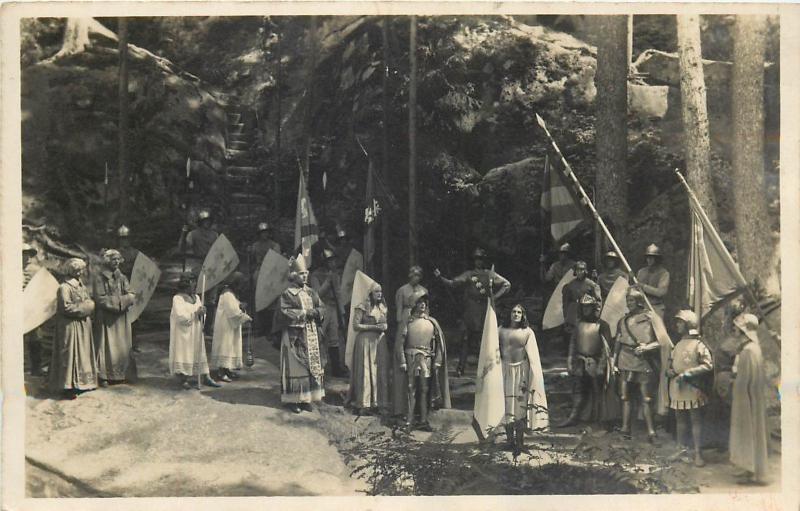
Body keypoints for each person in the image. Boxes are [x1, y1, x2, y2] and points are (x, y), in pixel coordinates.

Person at [434, 248, 511, 376]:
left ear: (484, 260)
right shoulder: (469, 274)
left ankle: (489, 369)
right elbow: (453, 283)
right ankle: (460, 368)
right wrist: (440, 277)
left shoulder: (490, 274)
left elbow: (506, 284)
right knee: (465, 339)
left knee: (486, 339)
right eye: (476, 258)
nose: (478, 261)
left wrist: (494, 297)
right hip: (470, 310)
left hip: (485, 310)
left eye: (480, 258)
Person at [613, 287, 672, 442]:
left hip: (643, 361)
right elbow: (618, 342)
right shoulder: (623, 320)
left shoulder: (651, 318)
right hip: (625, 360)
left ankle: (651, 432)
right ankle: (625, 428)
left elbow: (663, 341)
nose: (628, 303)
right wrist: (614, 360)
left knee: (646, 398)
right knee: (625, 396)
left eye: (631, 300)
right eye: (627, 300)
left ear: (639, 301)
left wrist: (646, 347)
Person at [276, 255, 326, 413]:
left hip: (310, 333)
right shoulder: (287, 294)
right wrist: (305, 313)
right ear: (294, 275)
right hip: (294, 334)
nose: (304, 276)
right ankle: (293, 399)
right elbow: (285, 312)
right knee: (296, 366)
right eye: (301, 274)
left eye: (306, 273)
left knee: (310, 365)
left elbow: (321, 307)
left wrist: (317, 312)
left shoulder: (311, 292)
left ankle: (307, 398)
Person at [397, 290, 451, 431]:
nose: (422, 305)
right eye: (419, 302)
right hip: (411, 356)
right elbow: (400, 343)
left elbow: (440, 343)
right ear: (414, 305)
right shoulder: (408, 322)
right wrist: (402, 360)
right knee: (411, 388)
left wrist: (438, 360)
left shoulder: (432, 322)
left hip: (426, 358)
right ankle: (409, 421)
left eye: (424, 303)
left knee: (425, 389)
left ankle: (423, 420)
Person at [499, 304, 548, 455]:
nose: (516, 314)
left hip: (521, 370)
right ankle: (509, 440)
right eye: (513, 311)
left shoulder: (527, 332)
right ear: (510, 314)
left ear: (523, 315)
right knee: (507, 404)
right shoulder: (500, 330)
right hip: (504, 369)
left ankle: (520, 442)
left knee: (520, 405)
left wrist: (534, 375)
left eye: (519, 312)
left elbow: (533, 355)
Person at [666, 310, 713, 467]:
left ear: (688, 325)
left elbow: (708, 365)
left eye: (680, 322)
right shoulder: (678, 344)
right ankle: (680, 449)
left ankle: (698, 453)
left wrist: (688, 373)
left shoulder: (699, 345)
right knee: (680, 420)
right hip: (677, 387)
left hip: (693, 386)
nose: (677, 325)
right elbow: (671, 363)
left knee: (695, 420)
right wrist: (670, 371)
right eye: (677, 322)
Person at [559, 294, 612, 427]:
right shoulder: (578, 324)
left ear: (593, 308)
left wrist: (601, 365)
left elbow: (606, 349)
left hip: (595, 361)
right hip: (580, 361)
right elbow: (573, 344)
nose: (586, 310)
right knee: (578, 390)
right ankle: (574, 417)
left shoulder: (603, 325)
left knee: (597, 391)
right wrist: (570, 361)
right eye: (583, 308)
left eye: (588, 307)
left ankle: (599, 419)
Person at [48, 258, 98, 399]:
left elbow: (89, 299)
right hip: (69, 325)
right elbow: (66, 307)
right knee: (69, 353)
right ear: (71, 271)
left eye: (81, 269)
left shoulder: (81, 285)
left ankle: (82, 382)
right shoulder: (64, 287)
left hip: (82, 325)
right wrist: (86, 307)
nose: (80, 272)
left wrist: (90, 305)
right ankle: (67, 385)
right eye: (77, 270)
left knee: (82, 352)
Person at [729, 313, 769, 485]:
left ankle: (748, 468)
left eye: (737, 328)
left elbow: (743, 380)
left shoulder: (747, 351)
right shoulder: (754, 348)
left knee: (746, 430)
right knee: (753, 429)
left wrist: (733, 380)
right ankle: (752, 469)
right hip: (753, 396)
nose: (734, 331)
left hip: (745, 397)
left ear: (744, 330)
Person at [169, 271, 222, 390]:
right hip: (184, 332)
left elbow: (200, 314)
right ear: (186, 283)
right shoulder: (177, 298)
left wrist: (202, 313)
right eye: (192, 282)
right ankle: (184, 378)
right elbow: (180, 316)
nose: (195, 284)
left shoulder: (197, 297)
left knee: (199, 352)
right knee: (185, 354)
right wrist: (195, 313)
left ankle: (206, 376)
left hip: (196, 330)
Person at [93, 249, 137, 386]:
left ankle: (123, 373)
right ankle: (104, 375)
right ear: (107, 261)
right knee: (106, 345)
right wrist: (121, 302)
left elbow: (131, 294)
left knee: (122, 346)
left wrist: (124, 300)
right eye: (114, 259)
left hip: (121, 318)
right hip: (107, 318)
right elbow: (100, 298)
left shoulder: (122, 277)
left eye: (118, 259)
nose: (117, 262)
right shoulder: (99, 277)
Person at [347, 282, 390, 415]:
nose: (379, 294)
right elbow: (356, 325)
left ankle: (379, 403)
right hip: (365, 341)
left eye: (380, 291)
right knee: (365, 370)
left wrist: (384, 327)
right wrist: (373, 327)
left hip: (379, 342)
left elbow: (385, 323)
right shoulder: (362, 307)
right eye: (376, 292)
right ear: (370, 293)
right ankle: (363, 404)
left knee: (379, 370)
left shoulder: (383, 307)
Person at [392, 266, 427, 416]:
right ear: (409, 276)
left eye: (418, 275)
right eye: (413, 275)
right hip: (406, 316)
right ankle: (401, 404)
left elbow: (427, 307)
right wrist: (401, 322)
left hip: (419, 318)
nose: (416, 278)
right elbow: (398, 309)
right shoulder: (402, 290)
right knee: (402, 348)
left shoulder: (423, 290)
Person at [210, 272, 252, 382]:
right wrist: (245, 316)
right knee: (225, 346)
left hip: (230, 325)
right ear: (236, 283)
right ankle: (221, 372)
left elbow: (235, 305)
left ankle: (227, 369)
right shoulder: (227, 294)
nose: (241, 287)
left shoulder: (231, 293)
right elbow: (233, 312)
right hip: (225, 326)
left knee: (230, 347)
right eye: (240, 284)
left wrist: (240, 305)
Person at [309, 249, 344, 376]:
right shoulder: (315, 275)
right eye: (330, 261)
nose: (333, 263)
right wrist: (328, 281)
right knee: (319, 337)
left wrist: (342, 311)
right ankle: (317, 367)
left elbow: (339, 293)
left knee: (334, 338)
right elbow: (317, 294)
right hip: (321, 308)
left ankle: (336, 369)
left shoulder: (335, 275)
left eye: (333, 260)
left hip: (333, 307)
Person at [561, 261, 601, 355]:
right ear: (575, 271)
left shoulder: (591, 285)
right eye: (578, 270)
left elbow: (598, 300)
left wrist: (596, 314)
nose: (580, 272)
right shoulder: (570, 285)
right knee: (572, 333)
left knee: (585, 332)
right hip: (573, 311)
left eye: (582, 269)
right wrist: (566, 313)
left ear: (585, 271)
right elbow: (566, 301)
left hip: (586, 311)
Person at [23, 243, 44, 376]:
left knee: (36, 338)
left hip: (32, 309)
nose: (27, 258)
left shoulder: (36, 270)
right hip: (15, 309)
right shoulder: (8, 269)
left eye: (28, 254)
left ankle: (37, 367)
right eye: (23, 254)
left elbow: (43, 288)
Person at [636, 244, 670, 318]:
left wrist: (643, 286)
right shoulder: (641, 272)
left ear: (657, 259)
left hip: (656, 308)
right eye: (648, 257)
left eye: (652, 258)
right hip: (642, 307)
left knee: (656, 328)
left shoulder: (664, 273)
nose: (649, 260)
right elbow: (636, 290)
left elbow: (661, 292)